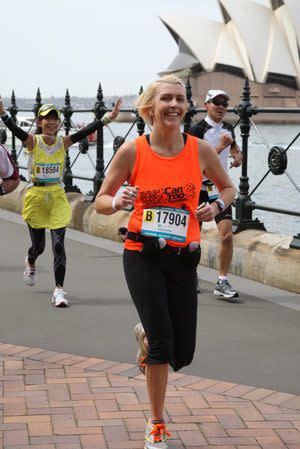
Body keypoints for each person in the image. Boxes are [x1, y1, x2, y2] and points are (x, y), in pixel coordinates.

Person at [94, 75, 235, 449]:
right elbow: (100, 201)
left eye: (180, 99)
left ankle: (144, 339)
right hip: (142, 255)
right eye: (166, 99)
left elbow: (228, 187)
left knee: (181, 354)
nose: (174, 105)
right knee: (162, 344)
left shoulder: (200, 150)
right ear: (149, 108)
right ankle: (156, 424)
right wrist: (119, 201)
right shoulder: (133, 152)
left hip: (183, 259)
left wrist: (217, 206)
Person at [0, 96, 121, 307]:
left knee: (58, 245)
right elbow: (15, 130)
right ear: (39, 122)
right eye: (47, 118)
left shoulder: (62, 143)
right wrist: (2, 114)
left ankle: (59, 290)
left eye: (55, 119)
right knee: (39, 246)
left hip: (57, 197)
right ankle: (31, 261)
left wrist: (108, 118)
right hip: (36, 198)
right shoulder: (32, 142)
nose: (52, 122)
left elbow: (85, 131)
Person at [189, 89, 242, 301]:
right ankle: (190, 274)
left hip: (219, 189)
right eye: (216, 102)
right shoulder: (196, 130)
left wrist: (237, 156)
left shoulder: (229, 128)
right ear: (206, 104)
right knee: (192, 238)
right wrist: (220, 146)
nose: (221, 106)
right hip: (197, 189)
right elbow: (194, 164)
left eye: (225, 103)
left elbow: (234, 149)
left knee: (227, 234)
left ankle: (222, 281)